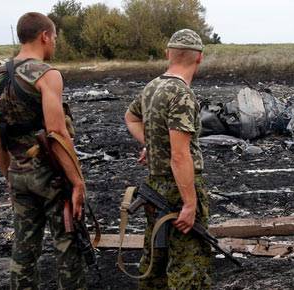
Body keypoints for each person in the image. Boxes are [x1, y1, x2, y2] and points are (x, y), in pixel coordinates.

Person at [0, 12, 87, 289]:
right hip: (51, 174)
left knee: (24, 249)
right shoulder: (47, 74)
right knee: (69, 244)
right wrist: (77, 181)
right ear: (44, 36)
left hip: (18, 171)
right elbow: (57, 133)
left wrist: (9, 174)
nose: (54, 43)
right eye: (53, 37)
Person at [124, 29, 212, 289]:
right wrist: (190, 203)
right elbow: (180, 155)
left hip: (155, 187)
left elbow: (131, 117)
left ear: (167, 54)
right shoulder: (182, 94)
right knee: (189, 265)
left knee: (156, 261)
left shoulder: (153, 86)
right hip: (177, 188)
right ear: (199, 58)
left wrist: (152, 145)